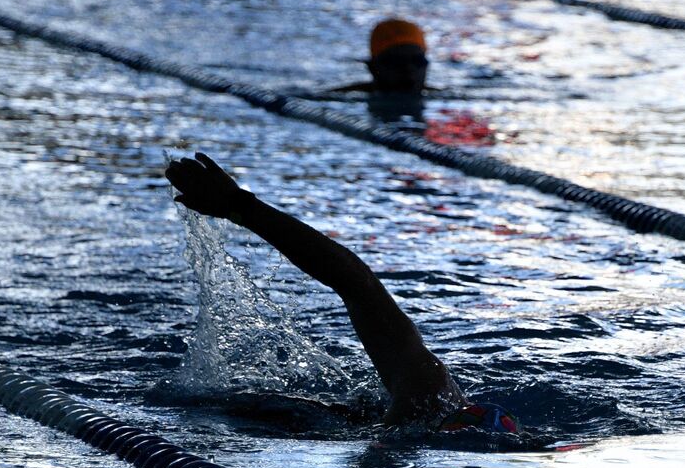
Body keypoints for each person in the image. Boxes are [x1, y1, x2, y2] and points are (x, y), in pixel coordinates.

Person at [165, 152, 520, 434]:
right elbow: (356, 282)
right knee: (208, 406)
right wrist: (240, 206)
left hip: (354, 429)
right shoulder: (425, 395)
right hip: (333, 419)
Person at [331, 18, 431, 95]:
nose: (409, 68)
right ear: (373, 68)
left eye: (418, 60)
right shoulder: (338, 98)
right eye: (398, 61)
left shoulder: (439, 96)